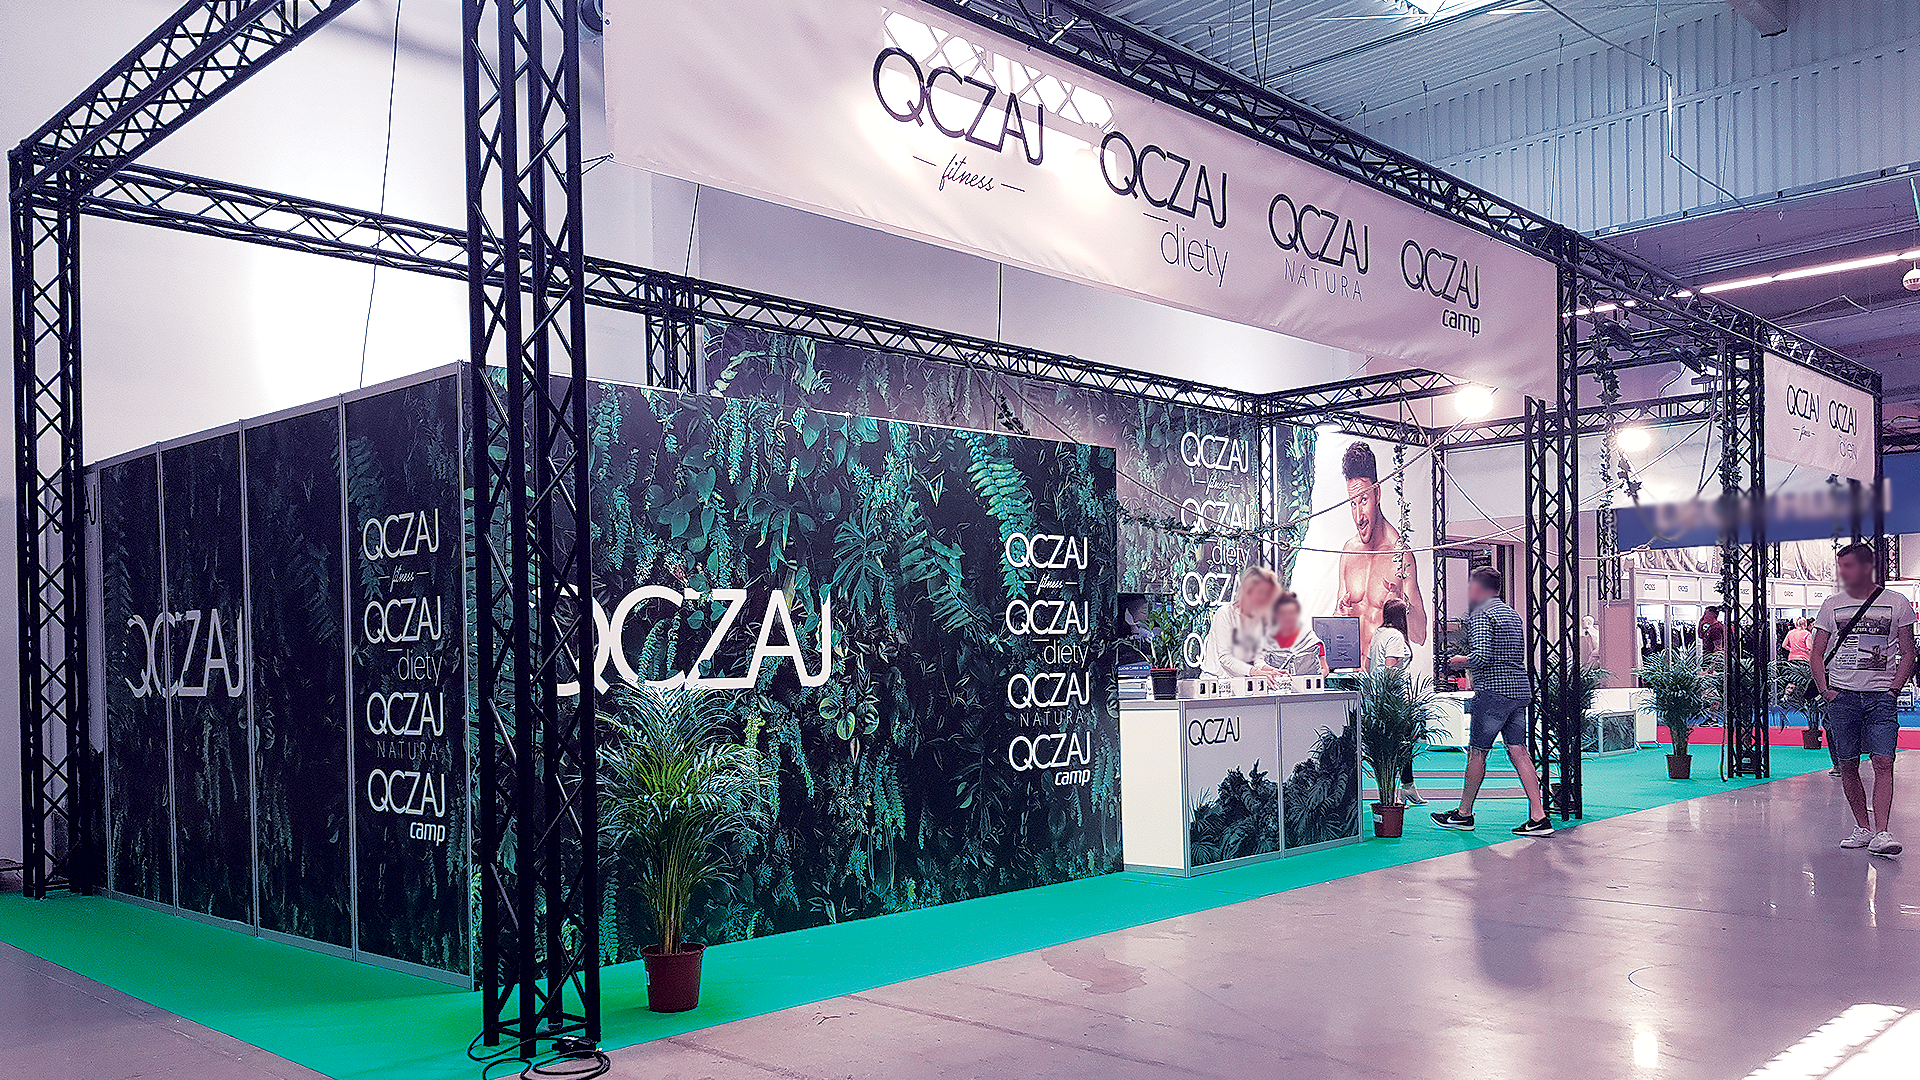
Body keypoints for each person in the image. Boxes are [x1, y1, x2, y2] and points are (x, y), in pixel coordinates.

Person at [1810, 542, 1916, 858]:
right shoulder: (1832, 605)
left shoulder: (1897, 603)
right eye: (1841, 566)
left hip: (1881, 697)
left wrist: (1894, 689)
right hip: (1842, 696)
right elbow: (1816, 653)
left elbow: (1909, 652)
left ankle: (1882, 832)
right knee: (1848, 763)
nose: (1843, 572)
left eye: (1849, 566)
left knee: (1884, 761)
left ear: (1867, 567)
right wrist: (1826, 690)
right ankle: (1862, 827)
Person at [1431, 568, 1554, 836]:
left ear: (1477, 587)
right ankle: (1539, 816)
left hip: (1493, 692)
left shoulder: (1481, 614)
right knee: (1519, 750)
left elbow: (1482, 656)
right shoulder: (1512, 613)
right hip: (1518, 690)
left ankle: (1464, 814)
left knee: (1478, 752)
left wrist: (1460, 661)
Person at [1334, 441, 1428, 663]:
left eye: (1363, 500)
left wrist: (1402, 604)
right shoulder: (1349, 552)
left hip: (1385, 677)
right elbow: (1338, 625)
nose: (1358, 516)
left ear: (1377, 493)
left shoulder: (1400, 555)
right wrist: (1340, 615)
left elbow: (1420, 635)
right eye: (1352, 504)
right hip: (1353, 676)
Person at [1368, 599, 1423, 804]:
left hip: (1380, 697)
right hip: (1394, 701)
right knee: (1400, 745)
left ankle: (1407, 786)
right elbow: (1390, 670)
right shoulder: (1396, 637)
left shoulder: (1379, 634)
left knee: (1399, 744)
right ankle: (1395, 794)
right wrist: (1400, 697)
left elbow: (1369, 666)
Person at [1201, 567, 1283, 681]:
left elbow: (1257, 660)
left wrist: (1272, 671)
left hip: (1240, 682)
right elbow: (1225, 658)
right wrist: (1254, 672)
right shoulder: (1225, 613)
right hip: (1215, 681)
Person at [1264, 591, 1329, 677]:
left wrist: (1313, 680)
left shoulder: (1310, 638)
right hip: (1275, 684)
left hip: (1307, 684)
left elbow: (1325, 669)